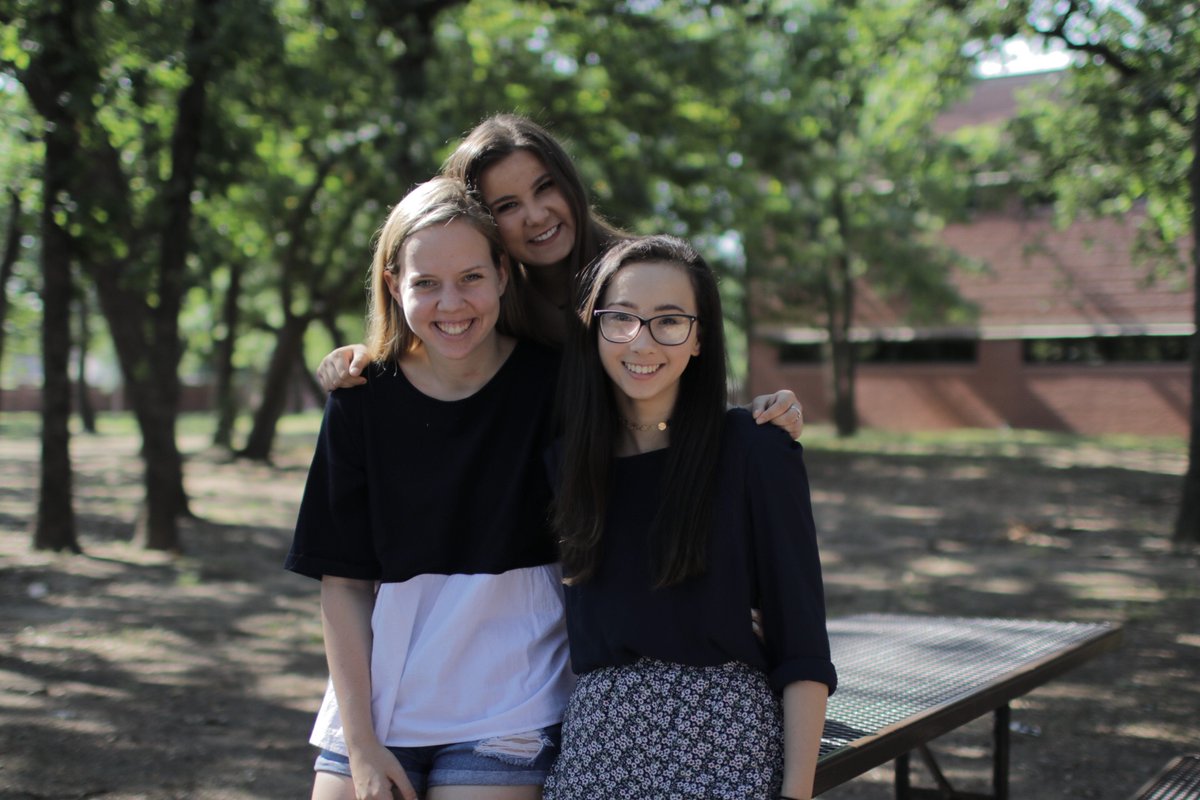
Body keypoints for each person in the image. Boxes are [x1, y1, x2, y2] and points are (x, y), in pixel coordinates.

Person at [285, 176, 573, 800]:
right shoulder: (360, 399)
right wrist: (360, 743)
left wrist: (757, 419)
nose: (452, 303)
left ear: (502, 273)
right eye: (426, 283)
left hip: (510, 697)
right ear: (394, 284)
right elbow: (344, 585)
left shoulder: (553, 386)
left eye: (471, 277)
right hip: (380, 699)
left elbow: (659, 410)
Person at [543, 235, 837, 800]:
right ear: (594, 328)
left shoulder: (755, 451)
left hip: (723, 744)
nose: (642, 341)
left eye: (669, 321)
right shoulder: (567, 464)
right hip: (596, 751)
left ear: (700, 337)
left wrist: (795, 795)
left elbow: (803, 645)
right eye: (621, 318)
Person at [314, 114, 806, 439]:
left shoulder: (638, 276)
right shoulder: (486, 305)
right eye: (507, 206)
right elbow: (435, 353)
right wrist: (363, 358)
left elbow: (696, 376)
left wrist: (763, 411)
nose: (535, 215)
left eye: (545, 187)